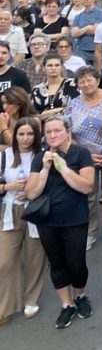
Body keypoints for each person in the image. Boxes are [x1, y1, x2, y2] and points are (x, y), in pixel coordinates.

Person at [23, 115, 96, 329]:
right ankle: (67, 304)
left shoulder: (81, 154)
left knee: (76, 263)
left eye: (57, 131)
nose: (53, 135)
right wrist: (45, 169)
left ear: (67, 132)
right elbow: (31, 193)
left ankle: (80, 296)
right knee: (56, 263)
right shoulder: (40, 157)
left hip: (75, 218)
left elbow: (86, 186)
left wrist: (63, 167)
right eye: (48, 132)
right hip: (48, 220)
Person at [66, 65, 102, 247]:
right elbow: (69, 134)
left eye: (89, 79)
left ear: (98, 80)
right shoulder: (73, 104)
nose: (86, 83)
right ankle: (90, 232)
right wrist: (85, 154)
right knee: (88, 197)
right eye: (81, 81)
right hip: (85, 157)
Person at [0, 117, 47, 325]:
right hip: (10, 211)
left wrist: (32, 192)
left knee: (35, 257)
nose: (25, 139)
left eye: (30, 134)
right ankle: (6, 306)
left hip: (36, 212)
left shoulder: (43, 156)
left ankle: (31, 299)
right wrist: (7, 188)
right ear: (14, 134)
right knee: (5, 261)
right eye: (21, 134)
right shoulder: (4, 156)